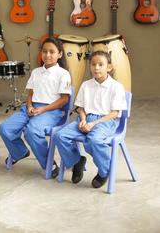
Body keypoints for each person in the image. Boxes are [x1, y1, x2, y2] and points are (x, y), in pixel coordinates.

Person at [0, 37, 71, 178]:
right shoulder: (36, 72)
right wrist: (30, 105)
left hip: (51, 111)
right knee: (5, 128)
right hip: (31, 108)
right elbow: (31, 93)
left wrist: (42, 110)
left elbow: (64, 99)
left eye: (52, 52)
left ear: (59, 54)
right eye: (44, 51)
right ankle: (20, 152)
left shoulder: (63, 74)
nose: (47, 55)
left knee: (32, 131)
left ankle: (48, 164)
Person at [54, 50, 127, 188]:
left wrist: (94, 123)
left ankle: (104, 171)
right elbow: (81, 108)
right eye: (93, 64)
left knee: (93, 140)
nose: (96, 67)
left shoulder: (116, 87)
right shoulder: (86, 85)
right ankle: (77, 162)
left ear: (109, 67)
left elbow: (114, 113)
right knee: (60, 136)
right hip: (86, 119)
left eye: (101, 64)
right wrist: (83, 120)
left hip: (106, 121)